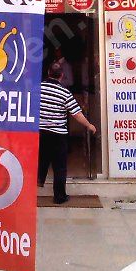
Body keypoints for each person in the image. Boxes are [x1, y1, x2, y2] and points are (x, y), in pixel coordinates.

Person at [38, 61, 96, 204]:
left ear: (48, 73)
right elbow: (76, 114)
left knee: (41, 159)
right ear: (62, 76)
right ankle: (59, 197)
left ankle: (37, 184)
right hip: (58, 135)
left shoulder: (37, 88)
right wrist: (89, 125)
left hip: (41, 133)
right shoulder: (64, 92)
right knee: (59, 166)